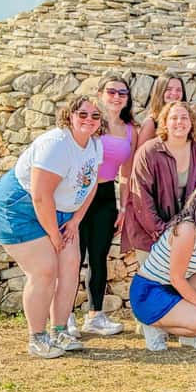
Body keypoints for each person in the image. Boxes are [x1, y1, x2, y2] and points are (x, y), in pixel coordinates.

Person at [0, 95, 104, 358]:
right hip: (21, 208)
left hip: (63, 212)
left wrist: (75, 220)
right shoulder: (55, 145)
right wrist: (54, 235)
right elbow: (41, 196)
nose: (89, 119)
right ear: (70, 115)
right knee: (44, 270)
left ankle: (59, 331)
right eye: (82, 114)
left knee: (70, 266)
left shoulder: (95, 143)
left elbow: (91, 184)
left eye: (95, 116)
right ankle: (37, 338)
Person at [129, 182, 196, 351]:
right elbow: (176, 279)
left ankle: (188, 335)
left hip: (171, 288)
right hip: (150, 291)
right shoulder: (187, 229)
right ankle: (153, 326)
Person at [73, 77, 137, 338]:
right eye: (111, 91)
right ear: (100, 93)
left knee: (98, 258)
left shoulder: (130, 130)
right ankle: (64, 317)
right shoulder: (91, 122)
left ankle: (94, 316)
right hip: (78, 193)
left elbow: (126, 173)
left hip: (106, 196)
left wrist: (123, 208)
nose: (117, 96)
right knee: (73, 258)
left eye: (122, 92)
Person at [123, 101, 196, 266]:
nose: (179, 122)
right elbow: (141, 198)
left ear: (191, 122)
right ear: (165, 123)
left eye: (184, 117)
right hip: (151, 233)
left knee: (181, 278)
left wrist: (191, 228)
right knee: (155, 279)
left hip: (186, 232)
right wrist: (163, 231)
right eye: (174, 118)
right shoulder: (149, 152)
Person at [138, 76, 187, 145]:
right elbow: (140, 151)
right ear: (160, 91)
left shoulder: (186, 121)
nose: (174, 93)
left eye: (178, 90)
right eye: (168, 89)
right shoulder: (151, 123)